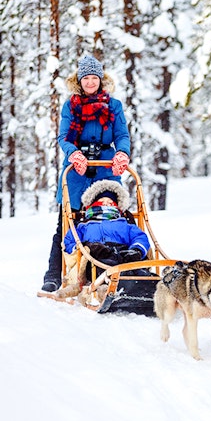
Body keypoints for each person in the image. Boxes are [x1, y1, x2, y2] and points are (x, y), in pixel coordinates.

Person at [41, 55, 132, 293]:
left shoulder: (114, 106)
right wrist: (74, 154)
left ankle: (109, 270)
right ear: (79, 81)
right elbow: (64, 137)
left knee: (109, 220)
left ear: (101, 80)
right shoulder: (70, 106)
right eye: (86, 78)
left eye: (94, 78)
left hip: (105, 169)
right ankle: (54, 274)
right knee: (67, 224)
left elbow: (122, 135)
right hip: (76, 173)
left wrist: (122, 153)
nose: (90, 82)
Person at [63, 180, 150, 268]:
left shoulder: (126, 224)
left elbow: (139, 237)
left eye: (110, 202)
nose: (106, 204)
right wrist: (87, 248)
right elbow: (70, 242)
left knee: (138, 272)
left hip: (124, 256)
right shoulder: (83, 226)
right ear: (92, 205)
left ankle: (150, 280)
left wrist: (136, 250)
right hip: (95, 259)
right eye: (102, 201)